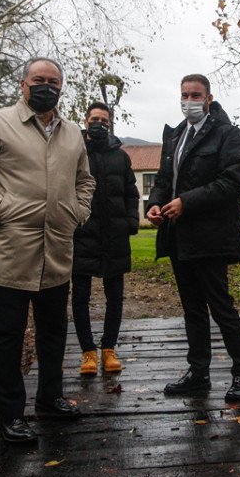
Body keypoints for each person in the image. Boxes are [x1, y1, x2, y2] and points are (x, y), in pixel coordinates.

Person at [0, 57, 95, 443]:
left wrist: (77, 213)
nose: (46, 86)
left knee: (53, 333)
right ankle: (10, 415)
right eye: (38, 79)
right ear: (23, 84)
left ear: (61, 87)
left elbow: (86, 181)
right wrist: (0, 210)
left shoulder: (72, 134)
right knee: (8, 336)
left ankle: (50, 399)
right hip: (10, 252)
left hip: (56, 252)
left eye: (53, 80)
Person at [146, 74, 240, 402]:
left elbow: (230, 182)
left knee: (221, 307)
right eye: (184, 95)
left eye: (196, 95)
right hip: (178, 237)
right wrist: (154, 203)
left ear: (208, 98)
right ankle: (198, 372)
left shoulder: (228, 135)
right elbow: (165, 178)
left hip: (211, 236)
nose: (189, 101)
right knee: (192, 308)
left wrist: (186, 203)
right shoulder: (176, 136)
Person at [71, 101, 140, 375]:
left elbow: (130, 193)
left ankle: (109, 349)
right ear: (86, 121)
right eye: (95, 119)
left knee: (115, 296)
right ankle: (87, 352)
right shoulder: (74, 152)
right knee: (80, 297)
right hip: (82, 234)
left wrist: (131, 224)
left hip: (114, 236)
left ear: (109, 124)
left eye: (104, 120)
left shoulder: (120, 157)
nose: (99, 123)